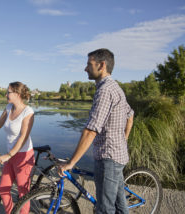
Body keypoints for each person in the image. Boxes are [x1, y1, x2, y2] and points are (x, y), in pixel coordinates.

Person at [59, 48, 134, 214]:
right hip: (118, 155)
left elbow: (90, 131)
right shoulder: (115, 87)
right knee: (120, 206)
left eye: (88, 64)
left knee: (104, 209)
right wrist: (123, 140)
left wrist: (71, 163)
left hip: (108, 158)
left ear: (101, 65)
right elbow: (131, 115)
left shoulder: (105, 90)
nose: (85, 68)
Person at [0, 81, 34, 214]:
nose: (6, 94)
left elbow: (23, 137)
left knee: (23, 194)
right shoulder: (9, 107)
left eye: (8, 92)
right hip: (11, 154)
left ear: (17, 94)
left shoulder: (28, 112)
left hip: (23, 156)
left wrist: (9, 155)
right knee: (3, 188)